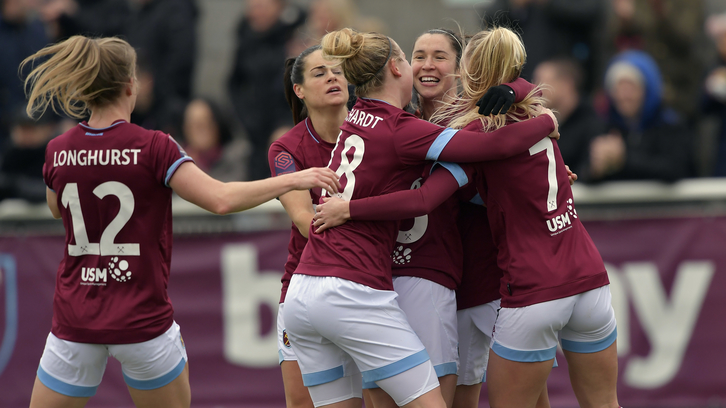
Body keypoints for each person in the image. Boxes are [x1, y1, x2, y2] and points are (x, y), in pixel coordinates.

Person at [21, 35, 340, 408]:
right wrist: (295, 178)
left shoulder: (59, 149)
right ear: (129, 85)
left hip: (74, 323)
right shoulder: (154, 146)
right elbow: (220, 200)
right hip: (141, 322)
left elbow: (56, 208)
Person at [315, 26, 616, 408]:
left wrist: (526, 103)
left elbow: (434, 190)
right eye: (417, 55)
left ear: (463, 70)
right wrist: (544, 118)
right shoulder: (410, 122)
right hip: (429, 280)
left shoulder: (470, 129)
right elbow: (513, 125)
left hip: (491, 286)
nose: (426, 64)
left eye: (439, 56)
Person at [269, 44, 349, 408]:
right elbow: (305, 222)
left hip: (370, 285)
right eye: (320, 72)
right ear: (299, 90)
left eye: (337, 70)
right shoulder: (286, 149)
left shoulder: (375, 131)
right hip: (306, 287)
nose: (333, 76)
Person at [589, 50, 692, 182]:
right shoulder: (605, 127)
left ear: (648, 89)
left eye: (631, 88)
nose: (624, 96)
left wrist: (624, 159)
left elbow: (676, 169)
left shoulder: (670, 124)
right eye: (618, 88)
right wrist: (596, 167)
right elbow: (584, 174)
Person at [533, 58, 607, 179]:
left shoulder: (593, 124)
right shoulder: (541, 125)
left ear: (566, 84)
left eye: (542, 82)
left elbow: (591, 171)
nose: (535, 89)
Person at [182, 98, 248, 182]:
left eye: (206, 123)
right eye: (194, 125)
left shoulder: (237, 155)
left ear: (218, 124)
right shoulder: (177, 162)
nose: (200, 131)